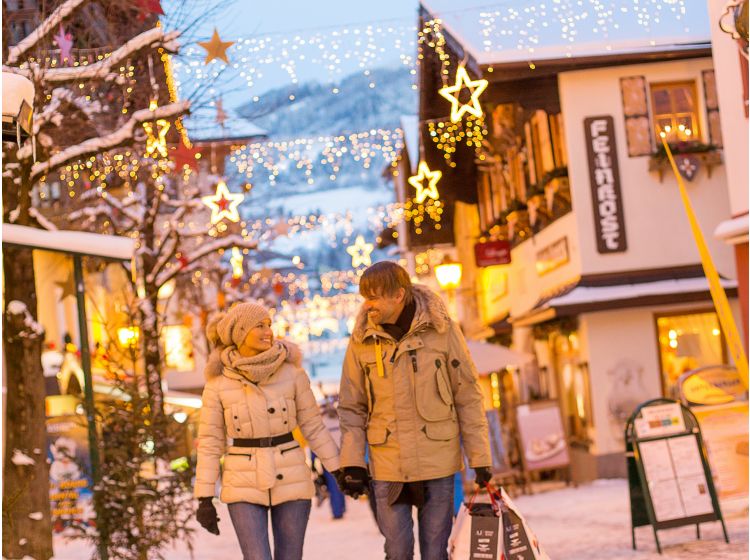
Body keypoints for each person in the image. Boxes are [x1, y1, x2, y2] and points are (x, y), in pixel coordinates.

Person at [337, 261, 493, 560]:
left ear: (398, 295)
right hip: (388, 463)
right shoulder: (361, 342)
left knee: (436, 551)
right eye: (364, 297)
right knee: (398, 551)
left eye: (374, 296)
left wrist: (480, 457)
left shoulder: (442, 331)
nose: (367, 305)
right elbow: (351, 406)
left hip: (437, 458)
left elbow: (467, 395)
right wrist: (353, 462)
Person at [193, 301, 340, 560]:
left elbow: (313, 427)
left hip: (291, 474)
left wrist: (339, 469)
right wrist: (205, 496)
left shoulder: (292, 374)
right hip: (242, 481)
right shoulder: (217, 384)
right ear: (239, 332)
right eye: (258, 326)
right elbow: (210, 441)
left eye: (269, 324)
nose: (268, 331)